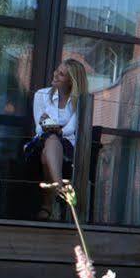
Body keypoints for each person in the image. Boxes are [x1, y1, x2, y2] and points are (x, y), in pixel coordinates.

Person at [24, 57, 88, 192]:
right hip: (39, 143)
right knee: (51, 140)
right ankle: (60, 189)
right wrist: (56, 129)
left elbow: (70, 129)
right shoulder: (41, 94)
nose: (55, 75)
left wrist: (50, 123)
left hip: (67, 147)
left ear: (72, 81)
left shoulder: (80, 101)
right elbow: (39, 128)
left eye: (61, 74)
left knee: (49, 149)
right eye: (57, 71)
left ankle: (50, 202)